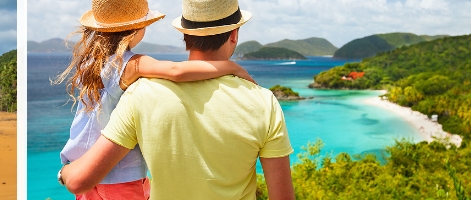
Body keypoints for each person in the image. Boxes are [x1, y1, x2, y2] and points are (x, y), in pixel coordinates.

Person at [59, 0, 296, 199]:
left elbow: (82, 178)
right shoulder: (264, 102)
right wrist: (233, 68)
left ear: (184, 34)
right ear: (234, 34)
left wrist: (65, 173)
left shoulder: (139, 92)